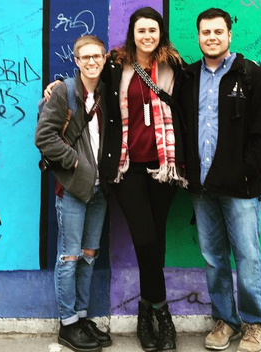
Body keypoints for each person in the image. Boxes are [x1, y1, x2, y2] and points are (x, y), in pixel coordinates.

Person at [177, 8, 261, 352]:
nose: (212, 37)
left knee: (248, 256)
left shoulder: (249, 75)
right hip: (202, 189)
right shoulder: (189, 78)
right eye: (205, 32)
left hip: (241, 189)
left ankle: (256, 324)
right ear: (198, 36)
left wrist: (246, 172)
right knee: (213, 257)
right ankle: (225, 321)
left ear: (229, 34)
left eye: (218, 32)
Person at [100, 7, 186, 352]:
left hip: (164, 166)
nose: (147, 36)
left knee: (157, 242)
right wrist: (56, 88)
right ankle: (162, 314)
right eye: (141, 30)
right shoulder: (115, 66)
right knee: (146, 241)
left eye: (153, 30)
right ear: (132, 34)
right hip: (128, 167)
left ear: (160, 33)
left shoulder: (174, 67)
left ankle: (143, 310)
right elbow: (89, 90)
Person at [35, 35, 112, 352]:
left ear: (105, 58)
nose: (92, 62)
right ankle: (67, 324)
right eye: (86, 57)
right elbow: (44, 137)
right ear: (76, 61)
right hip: (72, 189)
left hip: (100, 191)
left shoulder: (107, 92)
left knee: (89, 256)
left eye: (97, 56)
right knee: (69, 257)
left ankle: (81, 316)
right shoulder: (65, 91)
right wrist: (76, 164)